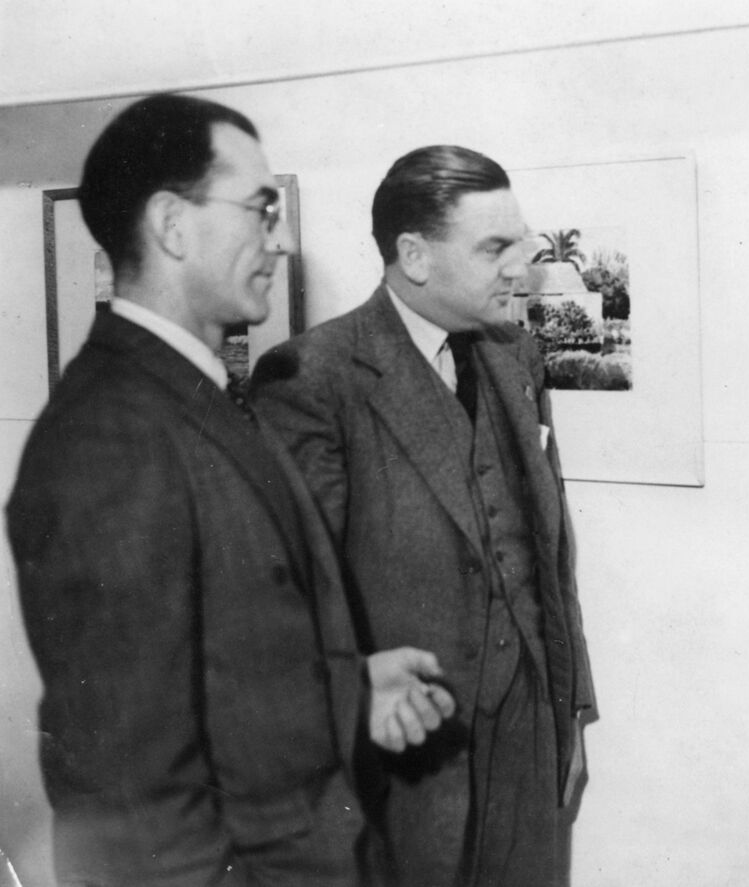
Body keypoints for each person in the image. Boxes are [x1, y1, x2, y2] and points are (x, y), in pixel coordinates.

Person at [6, 94, 454, 887]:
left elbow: (228, 655)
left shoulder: (197, 395)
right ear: (174, 225)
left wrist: (345, 686)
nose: (279, 239)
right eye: (260, 209)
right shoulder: (110, 437)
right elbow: (129, 795)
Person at [251, 145, 596, 887]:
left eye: (523, 242)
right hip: (404, 756)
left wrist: (567, 713)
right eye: (495, 247)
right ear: (414, 254)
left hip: (526, 731)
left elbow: (546, 552)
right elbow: (283, 599)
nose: (522, 266)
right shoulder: (313, 378)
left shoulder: (515, 358)